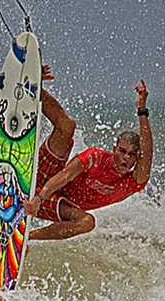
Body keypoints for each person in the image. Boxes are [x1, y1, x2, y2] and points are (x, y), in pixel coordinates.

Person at [24, 65, 153, 240]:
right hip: (45, 181)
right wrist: (39, 197)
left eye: (131, 154)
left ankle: (26, 237)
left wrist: (142, 110)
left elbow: (148, 152)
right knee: (68, 126)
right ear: (114, 150)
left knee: (87, 222)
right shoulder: (96, 157)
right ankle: (32, 86)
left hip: (56, 205)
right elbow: (66, 175)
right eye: (122, 151)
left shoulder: (132, 182)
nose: (126, 158)